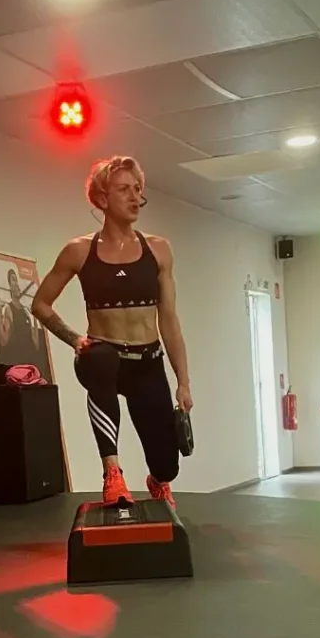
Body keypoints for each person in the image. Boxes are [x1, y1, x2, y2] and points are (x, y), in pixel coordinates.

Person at [32, 156, 192, 508]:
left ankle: (157, 479)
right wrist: (75, 339)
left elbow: (169, 319)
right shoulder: (79, 250)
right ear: (102, 199)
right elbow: (40, 304)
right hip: (105, 358)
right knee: (98, 358)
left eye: (138, 190)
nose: (135, 198)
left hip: (147, 361)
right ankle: (113, 473)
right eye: (124, 190)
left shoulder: (159, 250)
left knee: (168, 463)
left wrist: (183, 381)